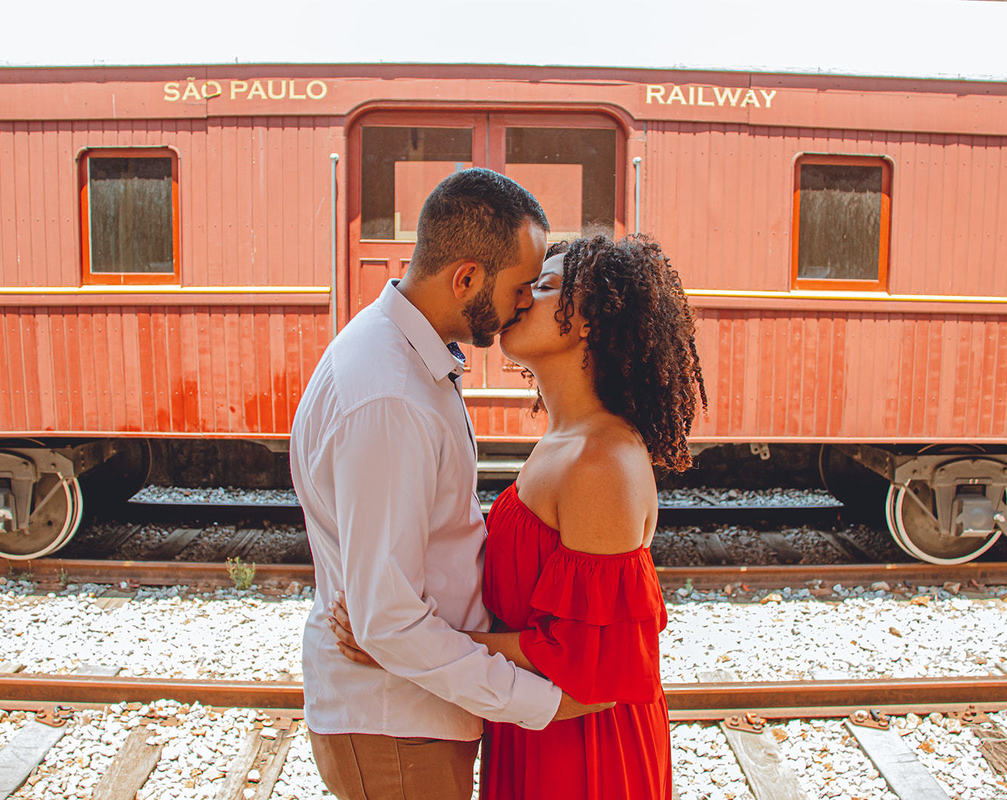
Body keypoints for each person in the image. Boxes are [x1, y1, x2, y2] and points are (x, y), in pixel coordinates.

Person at [333, 234, 708, 799]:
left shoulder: (600, 460)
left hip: (584, 751)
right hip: (540, 724)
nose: (523, 297)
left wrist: (405, 645)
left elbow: (592, 667)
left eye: (547, 286)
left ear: (588, 322)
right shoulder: (565, 440)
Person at [289, 168, 609, 800]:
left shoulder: (404, 359)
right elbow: (388, 622)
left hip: (413, 715)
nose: (526, 303)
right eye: (522, 287)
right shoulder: (390, 396)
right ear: (466, 277)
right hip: (397, 725)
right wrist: (539, 701)